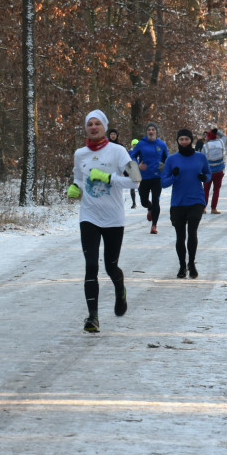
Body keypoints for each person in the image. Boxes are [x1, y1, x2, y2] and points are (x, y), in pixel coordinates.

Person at [69, 109, 141, 333]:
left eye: (97, 123)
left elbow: (136, 180)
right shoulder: (80, 154)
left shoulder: (118, 151)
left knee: (111, 266)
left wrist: (110, 178)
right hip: (89, 216)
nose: (93, 127)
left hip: (113, 218)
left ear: (104, 126)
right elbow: (79, 178)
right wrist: (75, 188)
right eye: (89, 124)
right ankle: (93, 317)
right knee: (91, 266)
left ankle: (120, 290)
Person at [162, 129, 211, 278]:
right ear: (177, 141)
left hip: (196, 200)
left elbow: (208, 175)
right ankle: (182, 266)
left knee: (192, 232)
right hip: (178, 202)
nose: (184, 142)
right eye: (181, 139)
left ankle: (192, 263)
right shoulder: (171, 159)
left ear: (191, 140)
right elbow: (164, 182)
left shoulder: (200, 157)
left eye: (186, 139)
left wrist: (204, 177)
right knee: (180, 236)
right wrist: (174, 177)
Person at [130, 122, 169, 234]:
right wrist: (137, 165)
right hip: (144, 177)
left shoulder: (161, 144)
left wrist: (164, 167)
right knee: (143, 201)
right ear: (146, 132)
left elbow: (167, 159)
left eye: (153, 129)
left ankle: (154, 225)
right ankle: (150, 207)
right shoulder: (141, 144)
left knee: (156, 200)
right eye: (149, 130)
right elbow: (132, 156)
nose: (151, 131)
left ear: (156, 131)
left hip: (157, 177)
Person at [202, 128, 227, 214]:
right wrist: (216, 131)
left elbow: (202, 158)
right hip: (219, 170)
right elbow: (224, 136)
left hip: (208, 171)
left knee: (206, 190)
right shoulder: (221, 142)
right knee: (216, 190)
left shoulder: (206, 146)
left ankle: (203, 208)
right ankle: (213, 208)